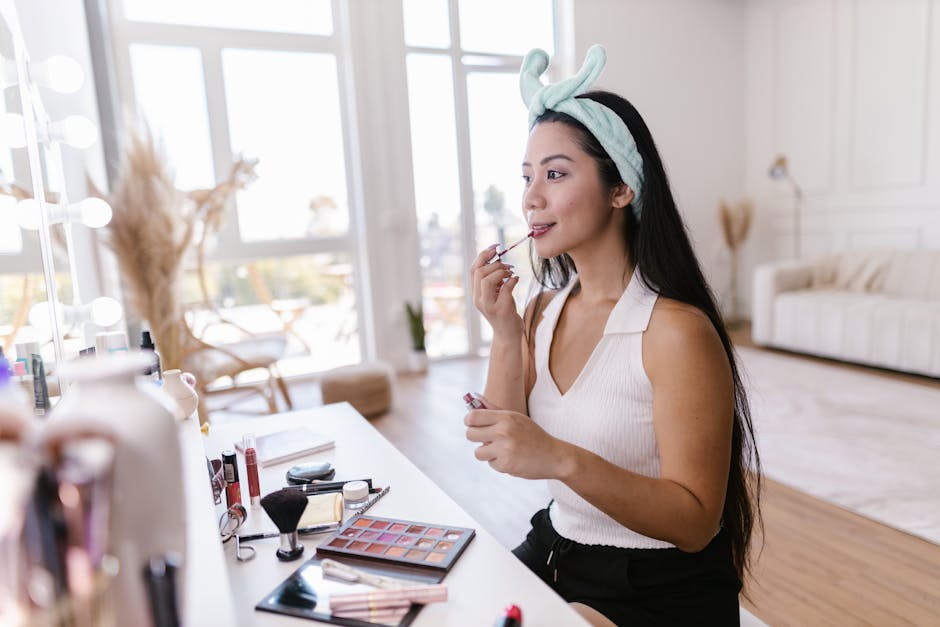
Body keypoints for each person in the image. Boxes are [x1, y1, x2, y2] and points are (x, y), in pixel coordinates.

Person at [466, 45, 761, 626]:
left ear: (621, 189)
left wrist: (559, 458)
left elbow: (697, 520)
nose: (531, 197)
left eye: (556, 174)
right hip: (556, 551)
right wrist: (504, 331)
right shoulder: (541, 311)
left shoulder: (675, 331)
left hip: (658, 587)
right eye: (528, 177)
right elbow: (502, 447)